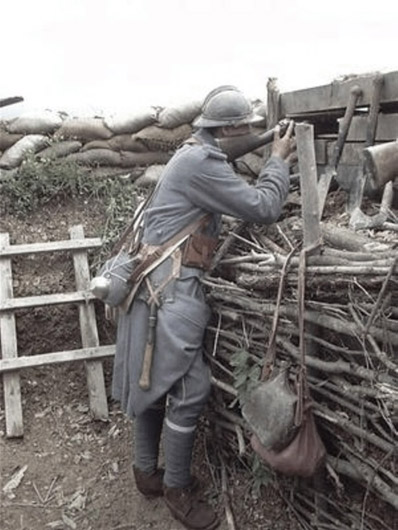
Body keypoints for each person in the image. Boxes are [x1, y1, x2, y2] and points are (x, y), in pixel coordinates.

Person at [111, 85, 296, 530]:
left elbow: (225, 155)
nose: (246, 132)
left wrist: (264, 137)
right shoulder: (202, 163)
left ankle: (145, 471)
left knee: (151, 380)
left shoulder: (193, 152)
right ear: (227, 128)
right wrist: (278, 160)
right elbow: (265, 206)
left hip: (151, 285)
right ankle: (176, 488)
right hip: (171, 291)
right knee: (189, 390)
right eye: (244, 127)